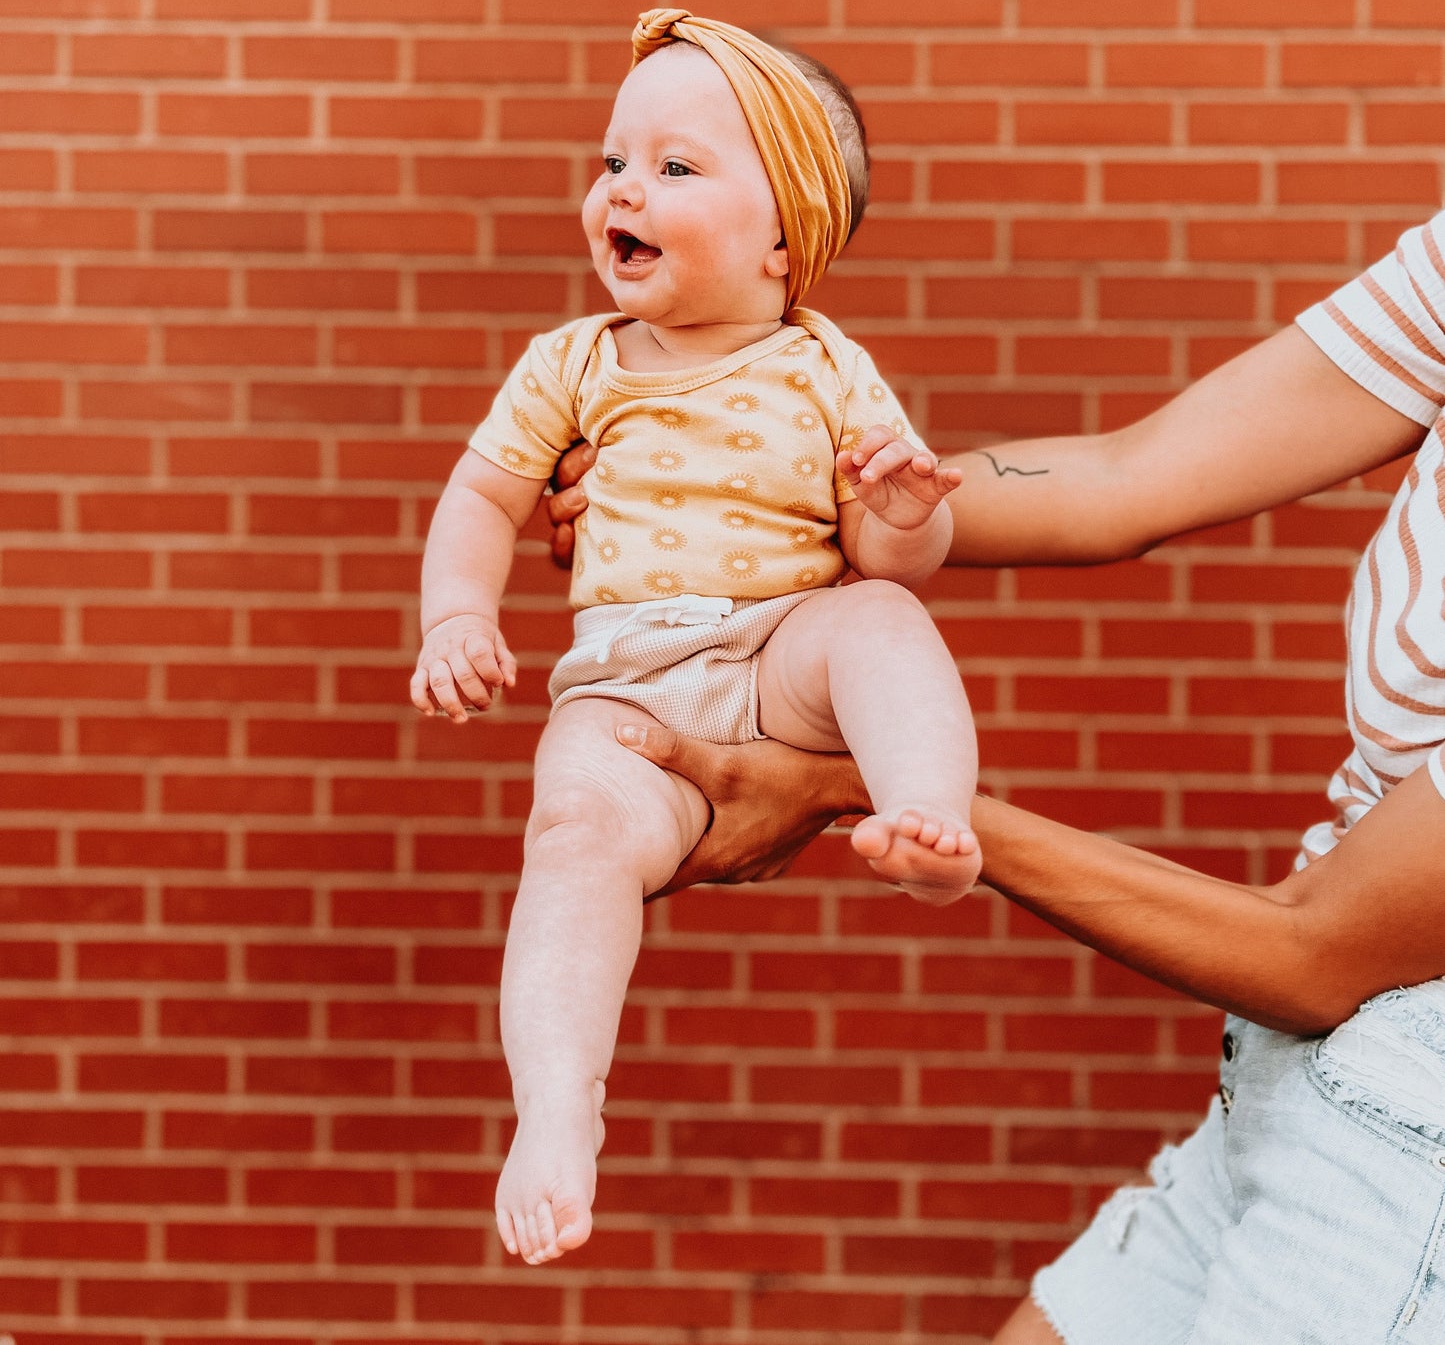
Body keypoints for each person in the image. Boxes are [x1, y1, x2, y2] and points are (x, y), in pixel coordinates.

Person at [549, 210, 1445, 1342]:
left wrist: (861, 789)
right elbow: (1132, 473)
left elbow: (1311, 948)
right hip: (1292, 1072)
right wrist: (739, 501)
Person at [409, 10, 984, 1267]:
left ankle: (929, 815)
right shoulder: (573, 363)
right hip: (622, 688)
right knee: (568, 841)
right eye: (614, 159)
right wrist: (457, 613)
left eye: (676, 166)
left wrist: (896, 517)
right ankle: (558, 1111)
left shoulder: (827, 364)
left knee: (882, 614)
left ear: (787, 235)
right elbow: (482, 498)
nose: (623, 187)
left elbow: (893, 551)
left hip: (780, 650)